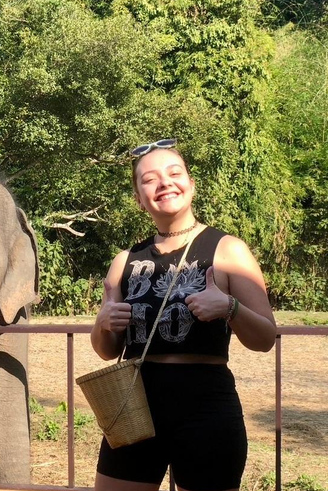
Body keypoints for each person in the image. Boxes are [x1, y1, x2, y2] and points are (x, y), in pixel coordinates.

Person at [90, 139, 277, 491]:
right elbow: (106, 348)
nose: (164, 183)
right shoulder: (124, 261)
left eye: (174, 173)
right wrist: (103, 324)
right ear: (138, 198)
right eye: (149, 180)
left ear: (190, 184)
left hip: (206, 406)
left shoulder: (228, 250)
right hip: (133, 403)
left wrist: (229, 308)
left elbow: (266, 337)